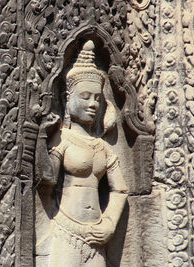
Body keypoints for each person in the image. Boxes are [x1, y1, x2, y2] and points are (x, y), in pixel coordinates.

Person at [36, 40, 128, 266]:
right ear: (68, 99)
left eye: (97, 98)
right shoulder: (62, 139)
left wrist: (109, 224)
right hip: (67, 230)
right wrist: (40, 138)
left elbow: (120, 189)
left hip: (96, 235)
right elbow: (47, 179)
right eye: (85, 96)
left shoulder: (103, 147)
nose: (93, 104)